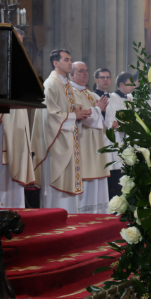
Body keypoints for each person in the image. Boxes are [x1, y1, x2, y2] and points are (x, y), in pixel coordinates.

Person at [37, 52, 110, 214]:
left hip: (70, 140)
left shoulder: (66, 86)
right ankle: (55, 218)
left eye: (70, 60)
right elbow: (50, 115)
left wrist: (82, 113)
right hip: (58, 141)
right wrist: (78, 114)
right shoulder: (52, 84)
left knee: (69, 189)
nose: (69, 63)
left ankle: (67, 218)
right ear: (56, 63)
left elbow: (80, 114)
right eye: (66, 60)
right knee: (58, 186)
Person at [102, 72, 137, 201]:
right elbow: (110, 120)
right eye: (129, 84)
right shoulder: (111, 98)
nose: (132, 86)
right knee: (117, 174)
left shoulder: (131, 99)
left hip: (128, 140)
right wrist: (119, 124)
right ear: (121, 84)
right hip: (116, 140)